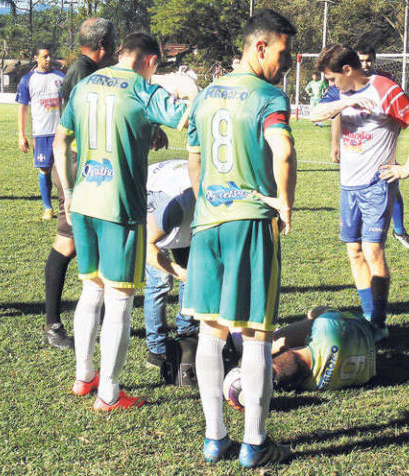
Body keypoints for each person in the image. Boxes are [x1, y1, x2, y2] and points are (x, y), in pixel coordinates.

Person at [183, 9, 298, 467]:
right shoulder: (269, 95)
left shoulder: (206, 95)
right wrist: (285, 201)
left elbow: (193, 160)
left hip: (207, 223)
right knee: (255, 333)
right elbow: (283, 150)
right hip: (250, 223)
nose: (287, 64)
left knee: (211, 329)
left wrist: (207, 202)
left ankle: (215, 439)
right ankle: (254, 443)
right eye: (284, 54)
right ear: (260, 46)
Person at [53, 32, 192, 411]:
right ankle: (110, 394)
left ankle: (84, 377)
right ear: (150, 61)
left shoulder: (85, 85)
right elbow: (189, 120)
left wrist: (66, 193)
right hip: (120, 208)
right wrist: (185, 91)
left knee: (91, 291)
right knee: (119, 301)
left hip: (82, 200)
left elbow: (59, 141)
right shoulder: (143, 90)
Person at [310, 44, 409, 343]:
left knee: (373, 251)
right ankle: (366, 316)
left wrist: (407, 167)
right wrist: (345, 102)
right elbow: (314, 114)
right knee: (354, 251)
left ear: (348, 70)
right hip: (347, 185)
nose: (331, 85)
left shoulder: (386, 90)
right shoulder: (341, 92)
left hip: (377, 184)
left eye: (333, 79)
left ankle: (378, 322)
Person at [41, 18, 118, 350]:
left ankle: (93, 316)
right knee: (67, 243)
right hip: (76, 163)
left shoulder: (82, 68)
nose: (115, 50)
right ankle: (53, 324)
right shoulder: (84, 72)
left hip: (86, 163)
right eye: (113, 43)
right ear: (103, 45)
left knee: (88, 241)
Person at [226, 306, 376, 395]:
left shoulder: (313, 385)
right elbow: (320, 312)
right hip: (361, 327)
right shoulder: (326, 330)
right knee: (309, 316)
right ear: (285, 348)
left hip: (369, 358)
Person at [356, 45, 409, 249]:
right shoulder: (349, 82)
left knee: (391, 184)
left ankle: (399, 231)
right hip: (359, 144)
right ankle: (361, 233)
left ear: (374, 60)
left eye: (368, 60)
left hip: (382, 142)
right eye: (361, 60)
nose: (365, 64)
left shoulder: (386, 80)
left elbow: (397, 110)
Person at [144, 159, 198, 369]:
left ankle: (188, 332)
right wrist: (177, 271)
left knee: (192, 272)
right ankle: (156, 350)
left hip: (185, 220)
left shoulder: (216, 200)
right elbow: (148, 248)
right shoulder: (175, 207)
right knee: (159, 283)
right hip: (156, 204)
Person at [16, 43, 65, 221]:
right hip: (41, 134)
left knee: (64, 172)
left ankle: (65, 207)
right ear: (36, 58)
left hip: (61, 132)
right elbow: (22, 109)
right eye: (45, 56)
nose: (49, 59)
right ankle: (47, 208)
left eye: (50, 55)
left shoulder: (60, 76)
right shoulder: (27, 80)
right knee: (44, 170)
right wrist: (21, 135)